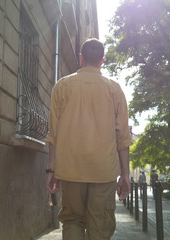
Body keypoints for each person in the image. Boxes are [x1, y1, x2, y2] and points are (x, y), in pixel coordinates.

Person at [45, 38, 133, 240]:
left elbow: (54, 134)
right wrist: (125, 175)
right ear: (102, 61)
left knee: (73, 220)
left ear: (81, 58)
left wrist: (51, 169)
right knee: (100, 225)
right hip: (103, 171)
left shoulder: (62, 86)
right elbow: (123, 137)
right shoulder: (114, 89)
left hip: (70, 169)